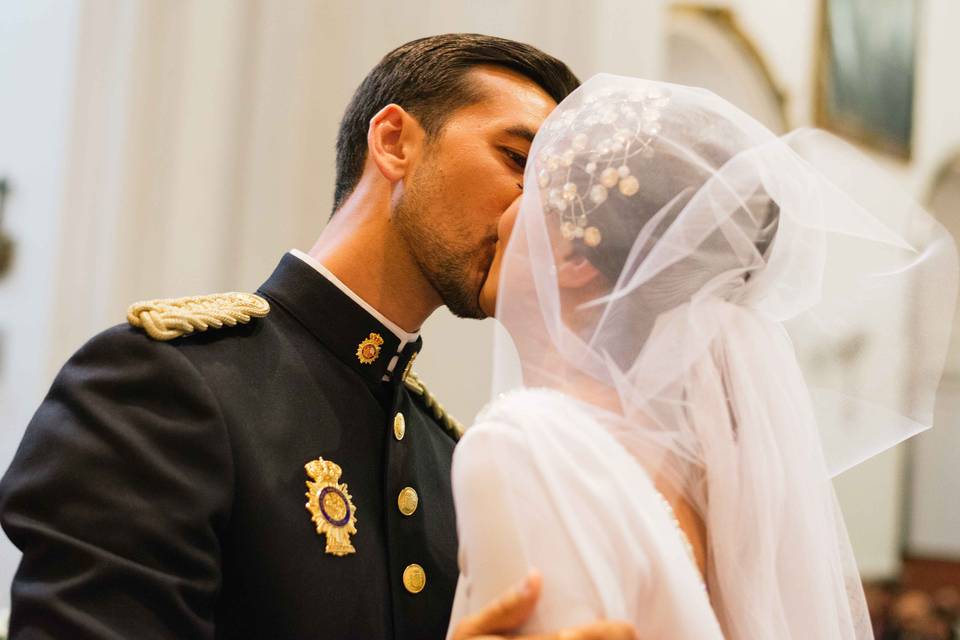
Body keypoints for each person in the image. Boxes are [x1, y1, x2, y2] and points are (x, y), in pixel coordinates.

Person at [0, 35, 635, 640]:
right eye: (518, 161)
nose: (533, 214)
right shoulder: (168, 384)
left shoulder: (451, 461)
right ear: (393, 142)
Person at [447, 74, 958, 638]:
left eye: (531, 193)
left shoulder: (526, 442)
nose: (502, 216)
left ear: (573, 258)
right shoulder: (716, 484)